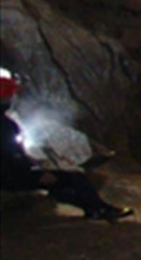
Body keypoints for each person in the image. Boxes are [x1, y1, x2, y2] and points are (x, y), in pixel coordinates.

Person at [1, 67, 133, 221]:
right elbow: (13, 158)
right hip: (8, 178)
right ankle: (99, 209)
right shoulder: (6, 125)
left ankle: (95, 208)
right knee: (73, 177)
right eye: (8, 95)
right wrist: (39, 173)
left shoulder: (7, 123)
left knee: (59, 184)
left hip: (8, 174)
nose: (11, 99)